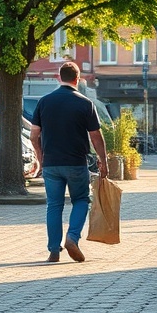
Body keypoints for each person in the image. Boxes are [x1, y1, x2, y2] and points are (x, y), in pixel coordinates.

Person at [30, 61, 108, 264]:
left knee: (54, 206)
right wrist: (103, 161)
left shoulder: (44, 102)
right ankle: (73, 237)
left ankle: (54, 251)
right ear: (78, 78)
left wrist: (40, 158)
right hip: (76, 162)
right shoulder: (84, 103)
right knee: (81, 200)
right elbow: (96, 136)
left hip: (51, 163)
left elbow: (33, 135)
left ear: (59, 77)